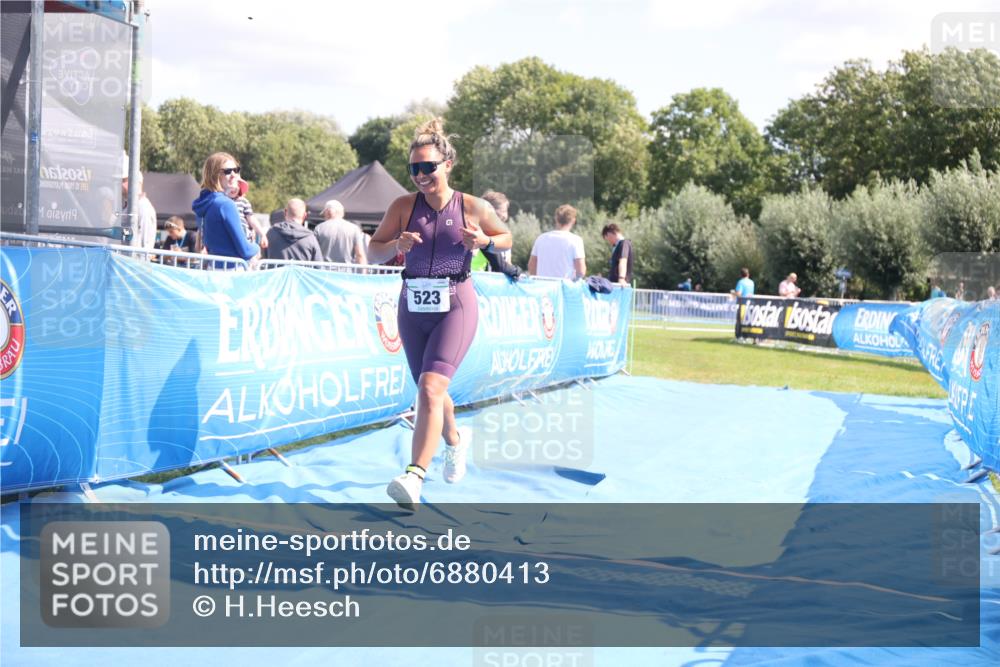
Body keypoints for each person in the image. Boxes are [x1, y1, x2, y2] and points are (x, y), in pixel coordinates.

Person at [366, 118, 512, 510]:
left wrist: (484, 241)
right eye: (413, 169)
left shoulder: (472, 206)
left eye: (427, 167)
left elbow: (506, 238)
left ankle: (414, 476)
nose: (419, 176)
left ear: (447, 164)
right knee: (431, 390)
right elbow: (372, 251)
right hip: (412, 304)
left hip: (456, 303)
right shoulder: (402, 207)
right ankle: (454, 440)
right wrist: (397, 243)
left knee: (430, 389)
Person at [192, 152, 259, 265]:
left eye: (236, 170)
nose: (233, 175)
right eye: (227, 171)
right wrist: (256, 246)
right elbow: (245, 251)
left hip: (213, 270)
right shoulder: (226, 204)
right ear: (214, 175)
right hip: (232, 273)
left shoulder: (203, 203)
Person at [529, 204, 585, 280]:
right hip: (563, 288)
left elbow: (531, 266)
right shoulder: (576, 240)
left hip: (542, 287)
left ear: (556, 219)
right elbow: (581, 271)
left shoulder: (541, 238)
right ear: (573, 220)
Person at [479, 190, 523, 279]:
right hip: (478, 282)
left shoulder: (504, 235)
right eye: (503, 211)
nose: (505, 215)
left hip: (492, 285)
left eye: (506, 211)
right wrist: (516, 271)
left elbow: (507, 263)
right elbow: (500, 265)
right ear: (491, 210)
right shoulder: (480, 231)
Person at [314, 199, 367, 264]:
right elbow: (360, 254)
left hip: (324, 271)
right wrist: (363, 273)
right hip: (346, 272)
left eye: (324, 213)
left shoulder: (319, 228)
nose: (324, 216)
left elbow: (314, 251)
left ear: (328, 212)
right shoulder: (354, 229)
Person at [228, 178, 268, 252]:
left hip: (243, 234)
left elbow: (251, 219)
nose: (233, 187)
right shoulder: (221, 201)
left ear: (239, 188)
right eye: (230, 185)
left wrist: (262, 234)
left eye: (236, 185)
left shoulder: (243, 201)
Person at [123, 171, 157, 250]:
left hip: (133, 260)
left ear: (135, 182)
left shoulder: (143, 207)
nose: (121, 184)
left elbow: (144, 243)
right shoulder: (130, 206)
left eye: (124, 181)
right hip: (126, 259)